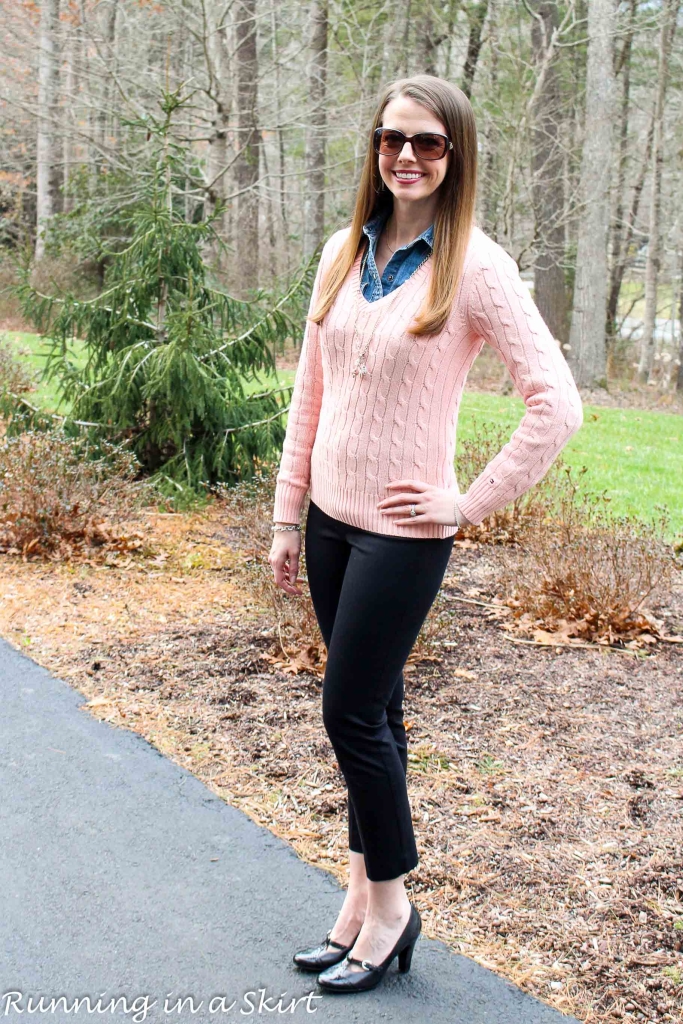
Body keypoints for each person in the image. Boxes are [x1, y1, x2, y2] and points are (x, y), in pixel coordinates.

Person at [268, 73, 583, 994]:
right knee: (381, 715)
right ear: (374, 149)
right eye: (391, 139)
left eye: (428, 143)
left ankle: (395, 906)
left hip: (403, 536)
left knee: (350, 712)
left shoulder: (475, 266)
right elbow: (309, 393)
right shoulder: (340, 251)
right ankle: (360, 899)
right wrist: (288, 514)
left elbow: (555, 404)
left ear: (455, 157)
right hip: (328, 522)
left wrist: (465, 503)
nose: (406, 156)